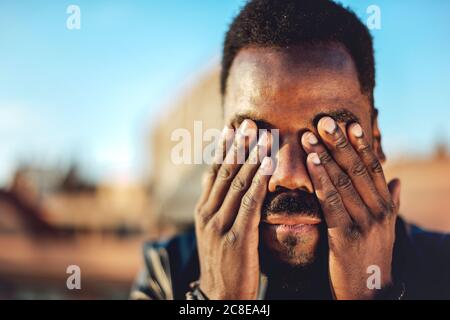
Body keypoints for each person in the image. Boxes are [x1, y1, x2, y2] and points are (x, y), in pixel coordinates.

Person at [131, 0, 450, 300]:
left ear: (375, 140)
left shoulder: (441, 269)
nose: (287, 176)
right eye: (256, 137)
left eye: (327, 135)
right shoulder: (168, 270)